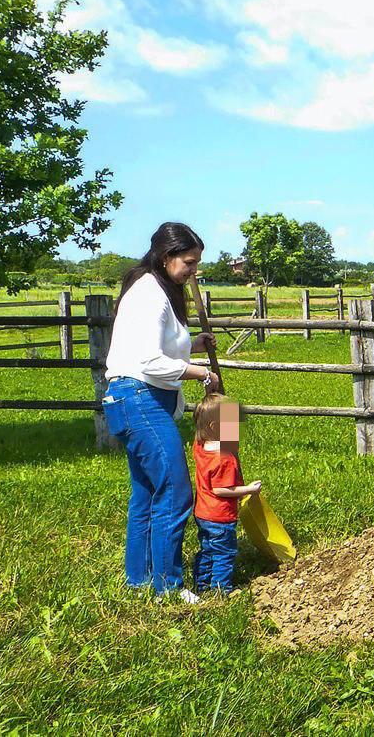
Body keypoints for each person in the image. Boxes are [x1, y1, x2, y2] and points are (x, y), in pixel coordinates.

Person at [101, 223, 220, 602]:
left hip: (135, 399)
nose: (193, 271)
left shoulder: (159, 290)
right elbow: (149, 361)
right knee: (175, 491)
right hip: (140, 400)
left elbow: (159, 350)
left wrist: (193, 344)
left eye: (197, 263)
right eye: (189, 262)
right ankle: (168, 587)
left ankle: (139, 581)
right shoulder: (149, 294)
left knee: (147, 493)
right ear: (167, 257)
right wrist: (201, 372)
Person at [191, 393, 262, 594]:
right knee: (224, 553)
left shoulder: (200, 447)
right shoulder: (225, 458)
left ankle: (202, 584)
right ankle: (221, 590)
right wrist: (249, 489)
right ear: (215, 427)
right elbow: (222, 489)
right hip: (220, 516)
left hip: (202, 513)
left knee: (207, 550)